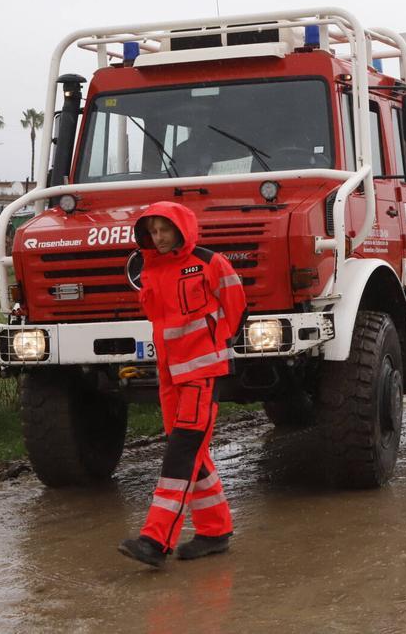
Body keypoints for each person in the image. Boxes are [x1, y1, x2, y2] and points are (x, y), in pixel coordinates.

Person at [119, 201, 248, 568]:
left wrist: (215, 346)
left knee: (181, 452)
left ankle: (156, 540)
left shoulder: (210, 262)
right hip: (169, 376)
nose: (158, 237)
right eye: (153, 231)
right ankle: (215, 531)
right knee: (192, 452)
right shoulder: (150, 269)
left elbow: (237, 306)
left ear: (180, 229)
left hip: (201, 374)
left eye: (164, 230)